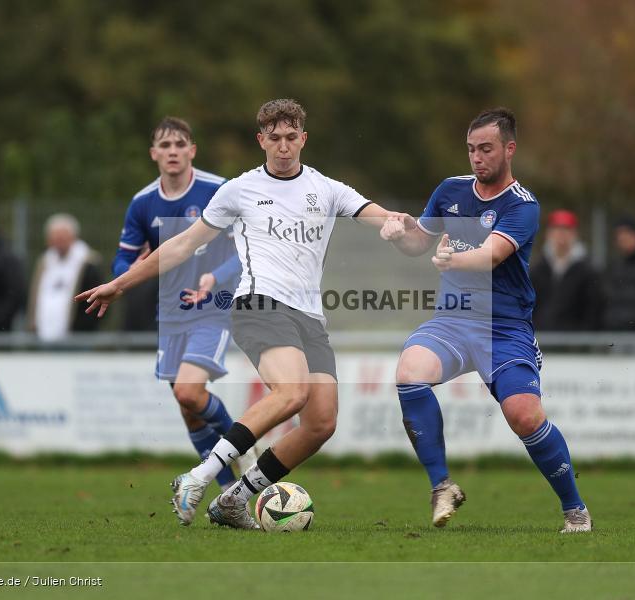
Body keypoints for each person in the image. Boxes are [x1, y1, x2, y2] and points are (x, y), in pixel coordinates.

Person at [77, 99, 404, 529]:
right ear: (261, 140)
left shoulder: (327, 189)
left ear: (303, 138)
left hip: (309, 318)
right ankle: (198, 477)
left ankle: (233, 499)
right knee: (292, 391)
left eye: (291, 137)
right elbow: (179, 245)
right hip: (259, 304)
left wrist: (400, 226)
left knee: (321, 423)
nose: (283, 147)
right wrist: (120, 283)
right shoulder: (239, 189)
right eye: (275, 138)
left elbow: (382, 217)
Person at [380, 108, 591, 533]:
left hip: (504, 328)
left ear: (509, 149)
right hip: (453, 321)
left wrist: (450, 257)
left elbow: (491, 255)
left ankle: (575, 509)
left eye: (487, 149)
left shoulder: (523, 206)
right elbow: (420, 243)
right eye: (472, 149)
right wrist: (401, 234)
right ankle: (442, 486)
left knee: (524, 416)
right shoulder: (450, 190)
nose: (477, 158)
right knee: (409, 373)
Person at [111, 116, 246, 492]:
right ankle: (228, 491)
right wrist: (128, 272)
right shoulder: (142, 203)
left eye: (180, 144)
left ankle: (245, 451)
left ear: (192, 150)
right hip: (170, 313)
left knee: (188, 392)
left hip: (215, 306)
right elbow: (121, 260)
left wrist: (214, 278)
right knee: (188, 409)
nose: (173, 152)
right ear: (154, 153)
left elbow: (247, 252)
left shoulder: (217, 190)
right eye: (165, 146)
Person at [27, 214, 103, 342]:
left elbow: (97, 300)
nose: (59, 241)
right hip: (44, 336)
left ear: (73, 237)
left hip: (78, 338)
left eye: (63, 237)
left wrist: (84, 328)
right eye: (55, 237)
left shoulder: (88, 263)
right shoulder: (44, 262)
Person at [530, 209, 603, 331]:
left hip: (577, 343)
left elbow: (593, 310)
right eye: (557, 230)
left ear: (575, 234)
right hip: (542, 340)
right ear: (548, 234)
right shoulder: (537, 269)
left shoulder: (588, 271)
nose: (561, 235)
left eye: (566, 230)